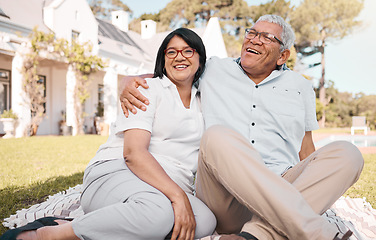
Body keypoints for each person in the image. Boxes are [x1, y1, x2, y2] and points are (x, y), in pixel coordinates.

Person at [119, 15, 364, 240]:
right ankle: (318, 233)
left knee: (348, 153)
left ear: (282, 56)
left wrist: (317, 186)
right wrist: (131, 82)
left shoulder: (301, 86)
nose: (255, 39)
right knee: (216, 136)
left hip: (284, 185)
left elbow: (306, 149)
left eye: (267, 37)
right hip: (224, 195)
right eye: (252, 33)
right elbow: (174, 72)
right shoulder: (213, 68)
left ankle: (255, 235)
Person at [1, 28, 216, 240]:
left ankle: (110, 226)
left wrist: (178, 194)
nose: (179, 56)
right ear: (163, 59)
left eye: (188, 51)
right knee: (158, 214)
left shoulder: (203, 101)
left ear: (200, 60)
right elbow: (133, 154)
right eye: (171, 52)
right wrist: (178, 196)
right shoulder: (146, 89)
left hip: (166, 186)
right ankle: (53, 234)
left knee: (205, 221)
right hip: (119, 172)